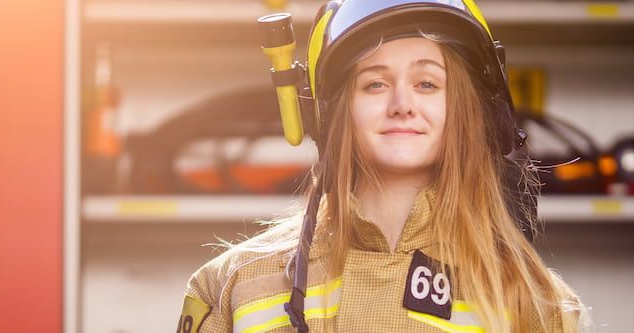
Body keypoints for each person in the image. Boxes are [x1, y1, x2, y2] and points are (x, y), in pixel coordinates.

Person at [177, 1, 588, 332]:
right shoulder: (232, 284)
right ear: (330, 113)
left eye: (427, 83)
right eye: (375, 83)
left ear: (468, 110)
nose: (402, 104)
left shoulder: (534, 302)